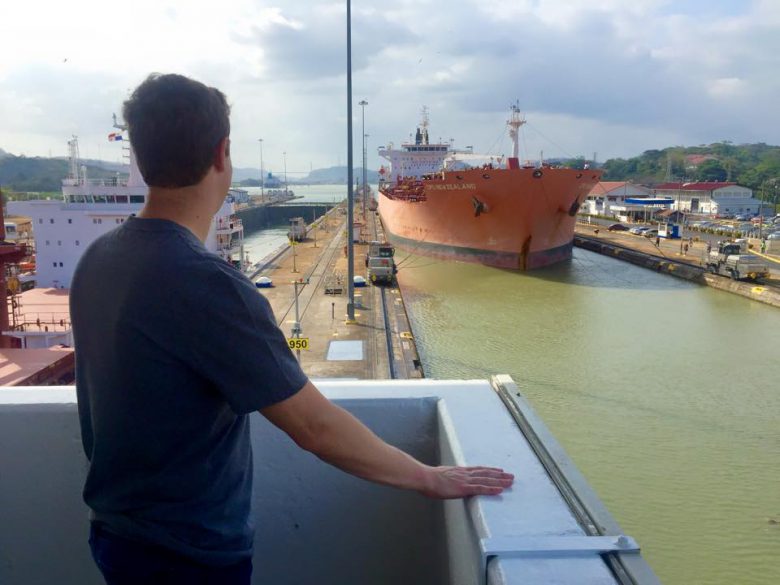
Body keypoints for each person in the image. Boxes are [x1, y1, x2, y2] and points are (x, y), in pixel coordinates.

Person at [70, 74, 513, 585]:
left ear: (142, 155)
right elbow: (315, 427)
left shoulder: (99, 258)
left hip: (114, 534)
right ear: (223, 153)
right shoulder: (206, 284)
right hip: (187, 553)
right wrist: (427, 477)